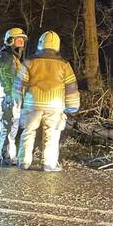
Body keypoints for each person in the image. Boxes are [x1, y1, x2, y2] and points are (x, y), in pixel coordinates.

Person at [14, 30, 79, 172]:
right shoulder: (64, 65)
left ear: (40, 44)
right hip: (55, 106)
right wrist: (72, 106)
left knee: (28, 132)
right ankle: (48, 164)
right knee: (52, 135)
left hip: (32, 104)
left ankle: (23, 162)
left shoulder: (30, 62)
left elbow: (19, 83)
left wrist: (17, 101)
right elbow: (71, 87)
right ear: (57, 45)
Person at [0, 27, 27, 165]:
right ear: (11, 40)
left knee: (10, 125)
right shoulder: (5, 55)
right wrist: (7, 93)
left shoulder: (13, 57)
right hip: (6, 95)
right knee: (8, 125)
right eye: (19, 39)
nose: (22, 42)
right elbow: (0, 74)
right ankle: (4, 155)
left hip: (12, 95)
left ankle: (5, 154)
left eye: (23, 40)